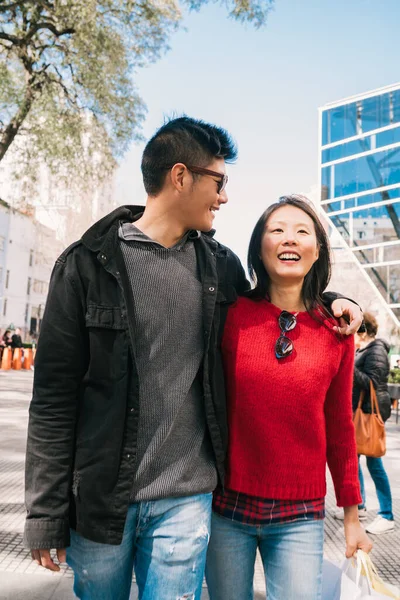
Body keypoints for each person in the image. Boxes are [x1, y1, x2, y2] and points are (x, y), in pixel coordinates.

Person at [24, 118, 363, 600]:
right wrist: (45, 513)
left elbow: (281, 299)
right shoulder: (83, 266)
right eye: (218, 182)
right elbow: (53, 400)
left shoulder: (218, 266)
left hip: (188, 499)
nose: (224, 196)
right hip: (101, 498)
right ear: (181, 177)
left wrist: (334, 299)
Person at [205, 195, 372, 600]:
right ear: (258, 249)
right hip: (226, 506)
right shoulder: (228, 315)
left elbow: (339, 429)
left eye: (302, 232)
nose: (289, 240)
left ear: (318, 251)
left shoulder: (337, 331)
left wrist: (352, 516)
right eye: (276, 230)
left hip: (301, 514)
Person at [354, 312, 394, 535]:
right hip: (362, 411)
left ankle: (387, 515)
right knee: (355, 458)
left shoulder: (376, 349)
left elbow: (372, 382)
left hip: (371, 412)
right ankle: (359, 505)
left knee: (374, 462)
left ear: (362, 329)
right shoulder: (364, 349)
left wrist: (348, 368)